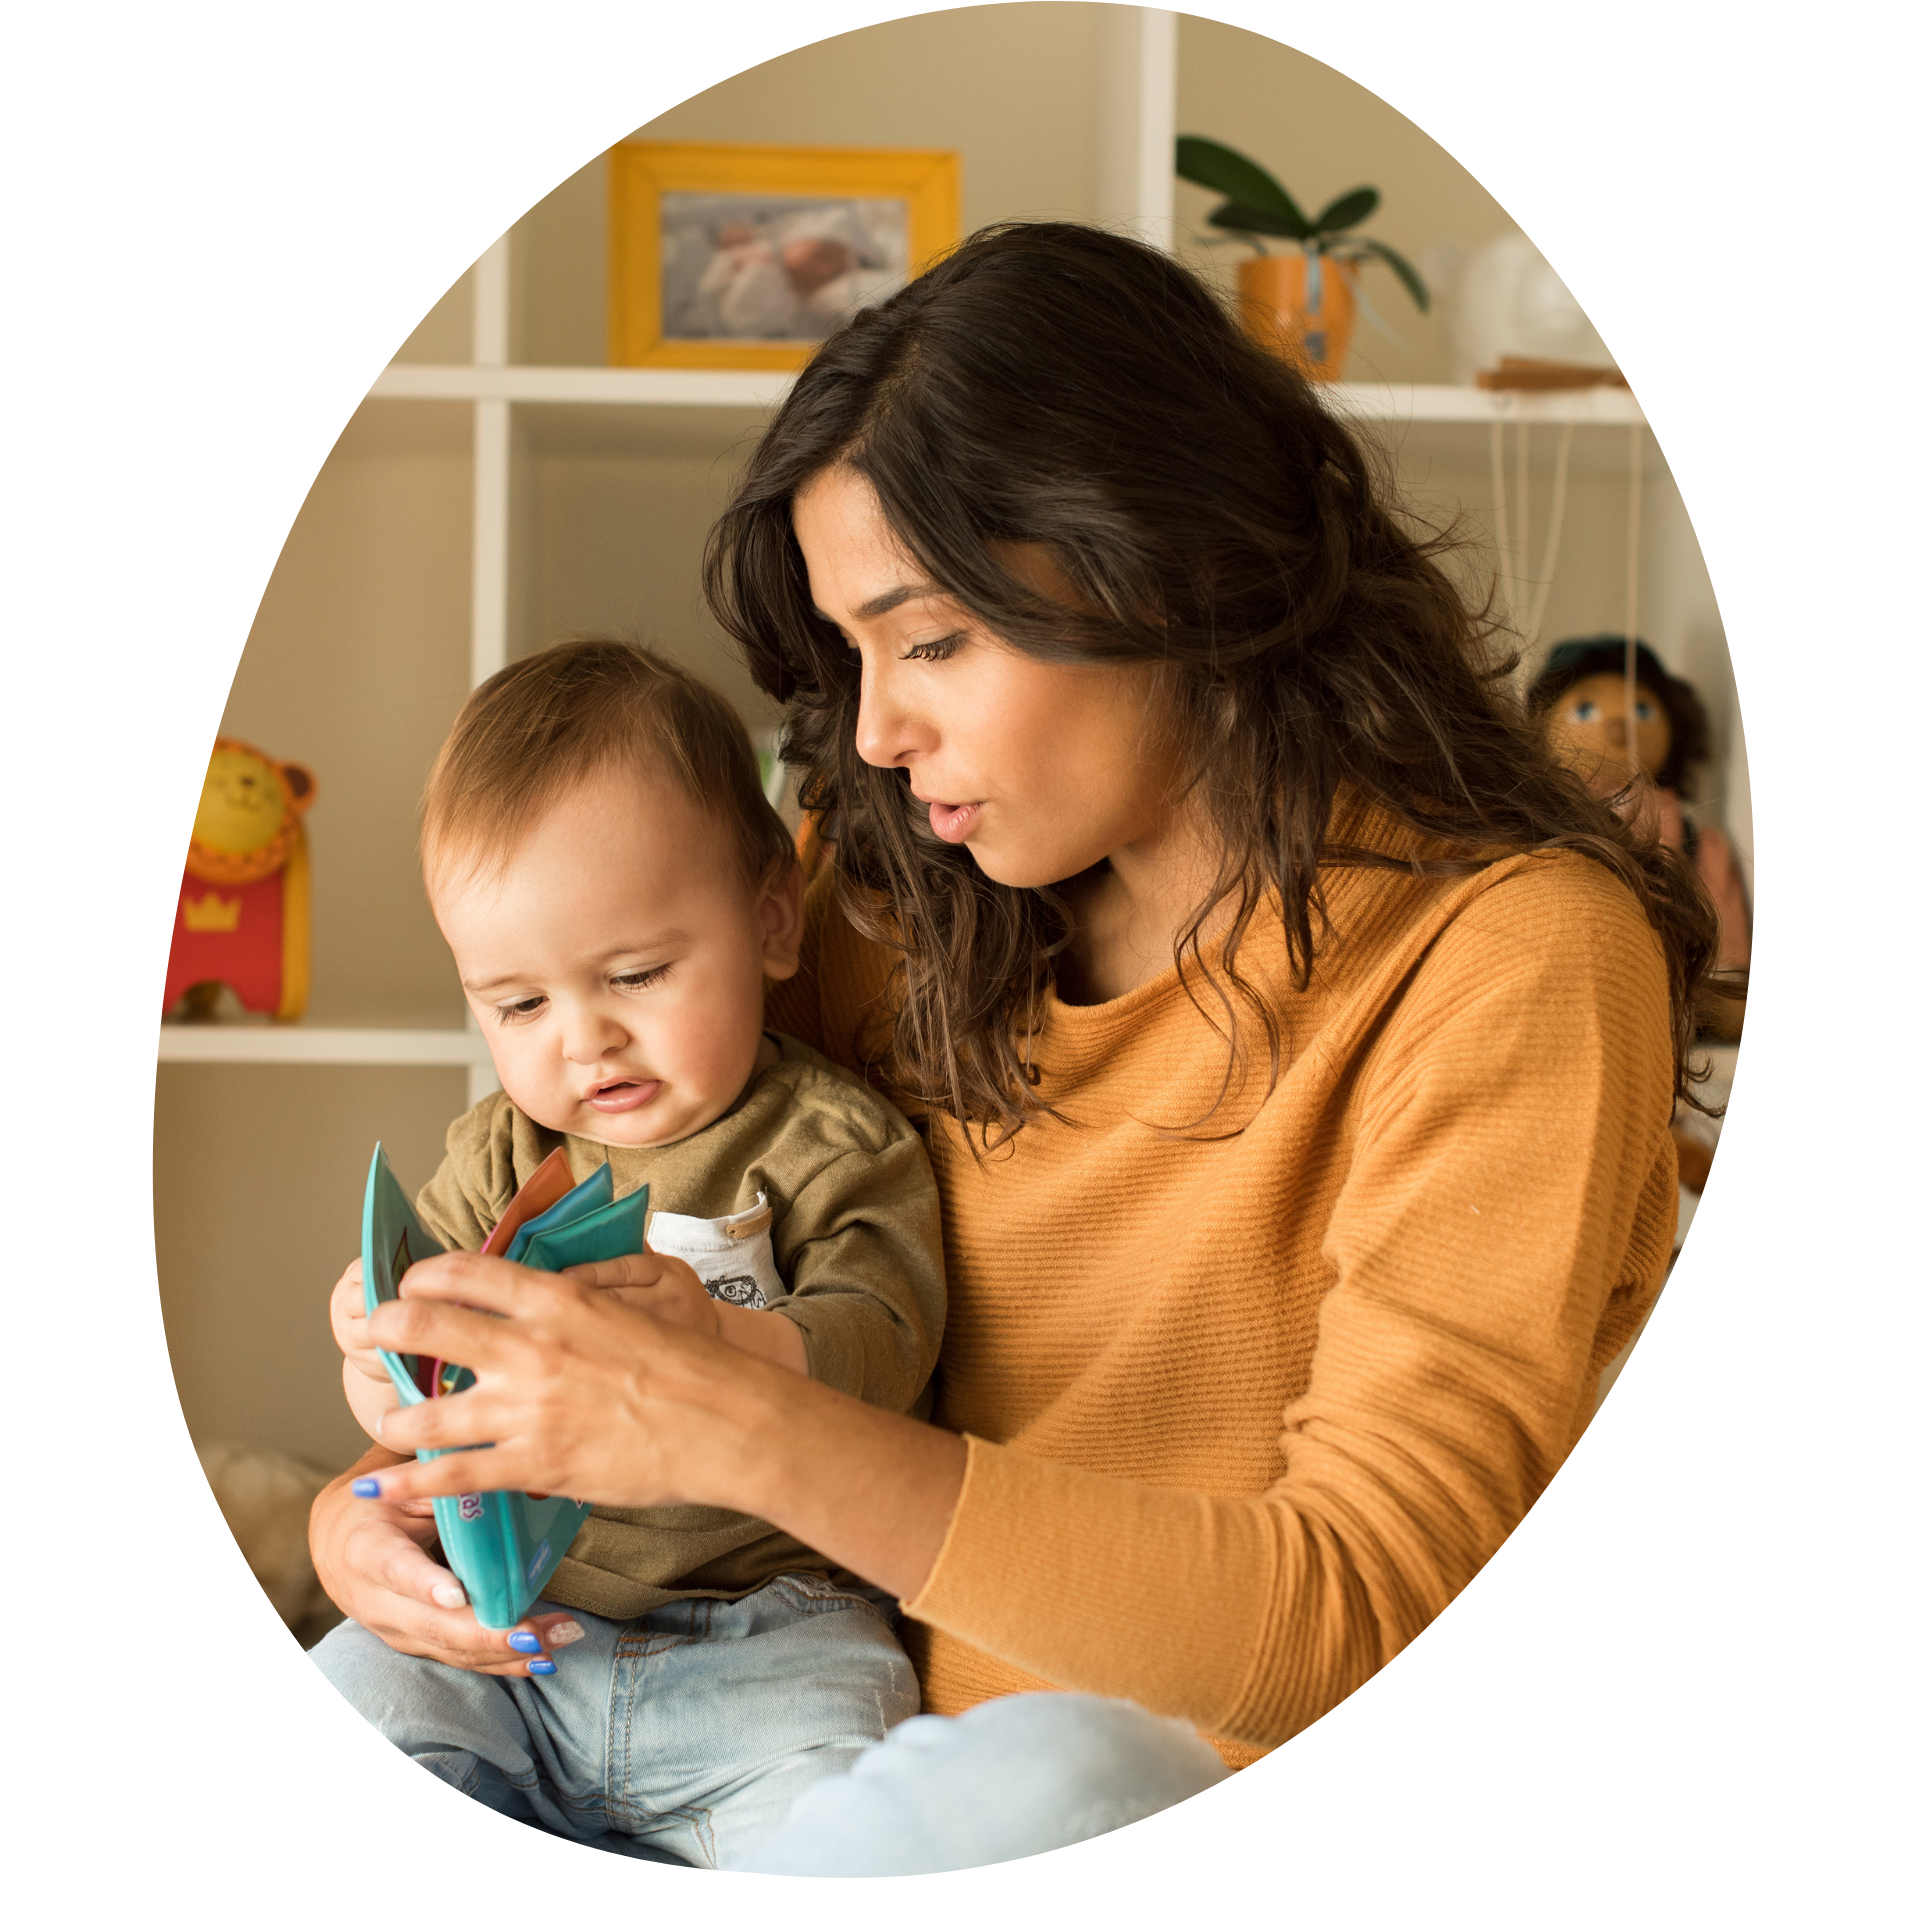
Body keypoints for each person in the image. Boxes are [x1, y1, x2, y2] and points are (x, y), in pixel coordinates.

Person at [310, 223, 1735, 1874]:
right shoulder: (897, 907)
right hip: (806, 1756)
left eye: (928, 642)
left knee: (1036, 1776)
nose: (870, 732)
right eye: (851, 656)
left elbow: (1351, 1608)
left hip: (1121, 1776)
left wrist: (724, 1416)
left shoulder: (1513, 957)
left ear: (1166, 561)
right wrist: (389, 1500)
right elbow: (614, 1194)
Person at [310, 637, 948, 1866]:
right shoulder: (503, 1153)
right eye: (519, 1004)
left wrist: (731, 1340)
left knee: (860, 1826)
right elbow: (409, 1406)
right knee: (365, 1684)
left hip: (775, 1640)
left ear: (771, 919)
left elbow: (886, 1337)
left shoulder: (832, 1144)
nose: (585, 1042)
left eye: (638, 974)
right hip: (524, 1635)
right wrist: (375, 1359)